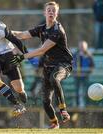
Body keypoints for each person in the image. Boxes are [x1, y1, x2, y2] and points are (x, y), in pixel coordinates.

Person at [11, 1, 73, 129]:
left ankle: (63, 110)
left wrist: (22, 57)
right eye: (49, 10)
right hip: (48, 67)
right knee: (45, 102)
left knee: (54, 79)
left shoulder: (57, 30)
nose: (51, 12)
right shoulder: (42, 28)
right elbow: (22, 35)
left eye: (53, 10)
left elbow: (41, 50)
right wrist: (5, 32)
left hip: (64, 65)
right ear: (44, 13)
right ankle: (55, 123)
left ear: (57, 13)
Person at [73, 41, 94, 108]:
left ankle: (87, 104)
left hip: (85, 76)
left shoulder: (89, 55)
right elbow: (71, 64)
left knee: (87, 91)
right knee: (77, 91)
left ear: (86, 47)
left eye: (83, 46)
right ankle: (77, 105)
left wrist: (87, 72)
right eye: (81, 46)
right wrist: (74, 72)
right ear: (79, 46)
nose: (82, 47)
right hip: (77, 76)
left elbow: (92, 66)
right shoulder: (75, 54)